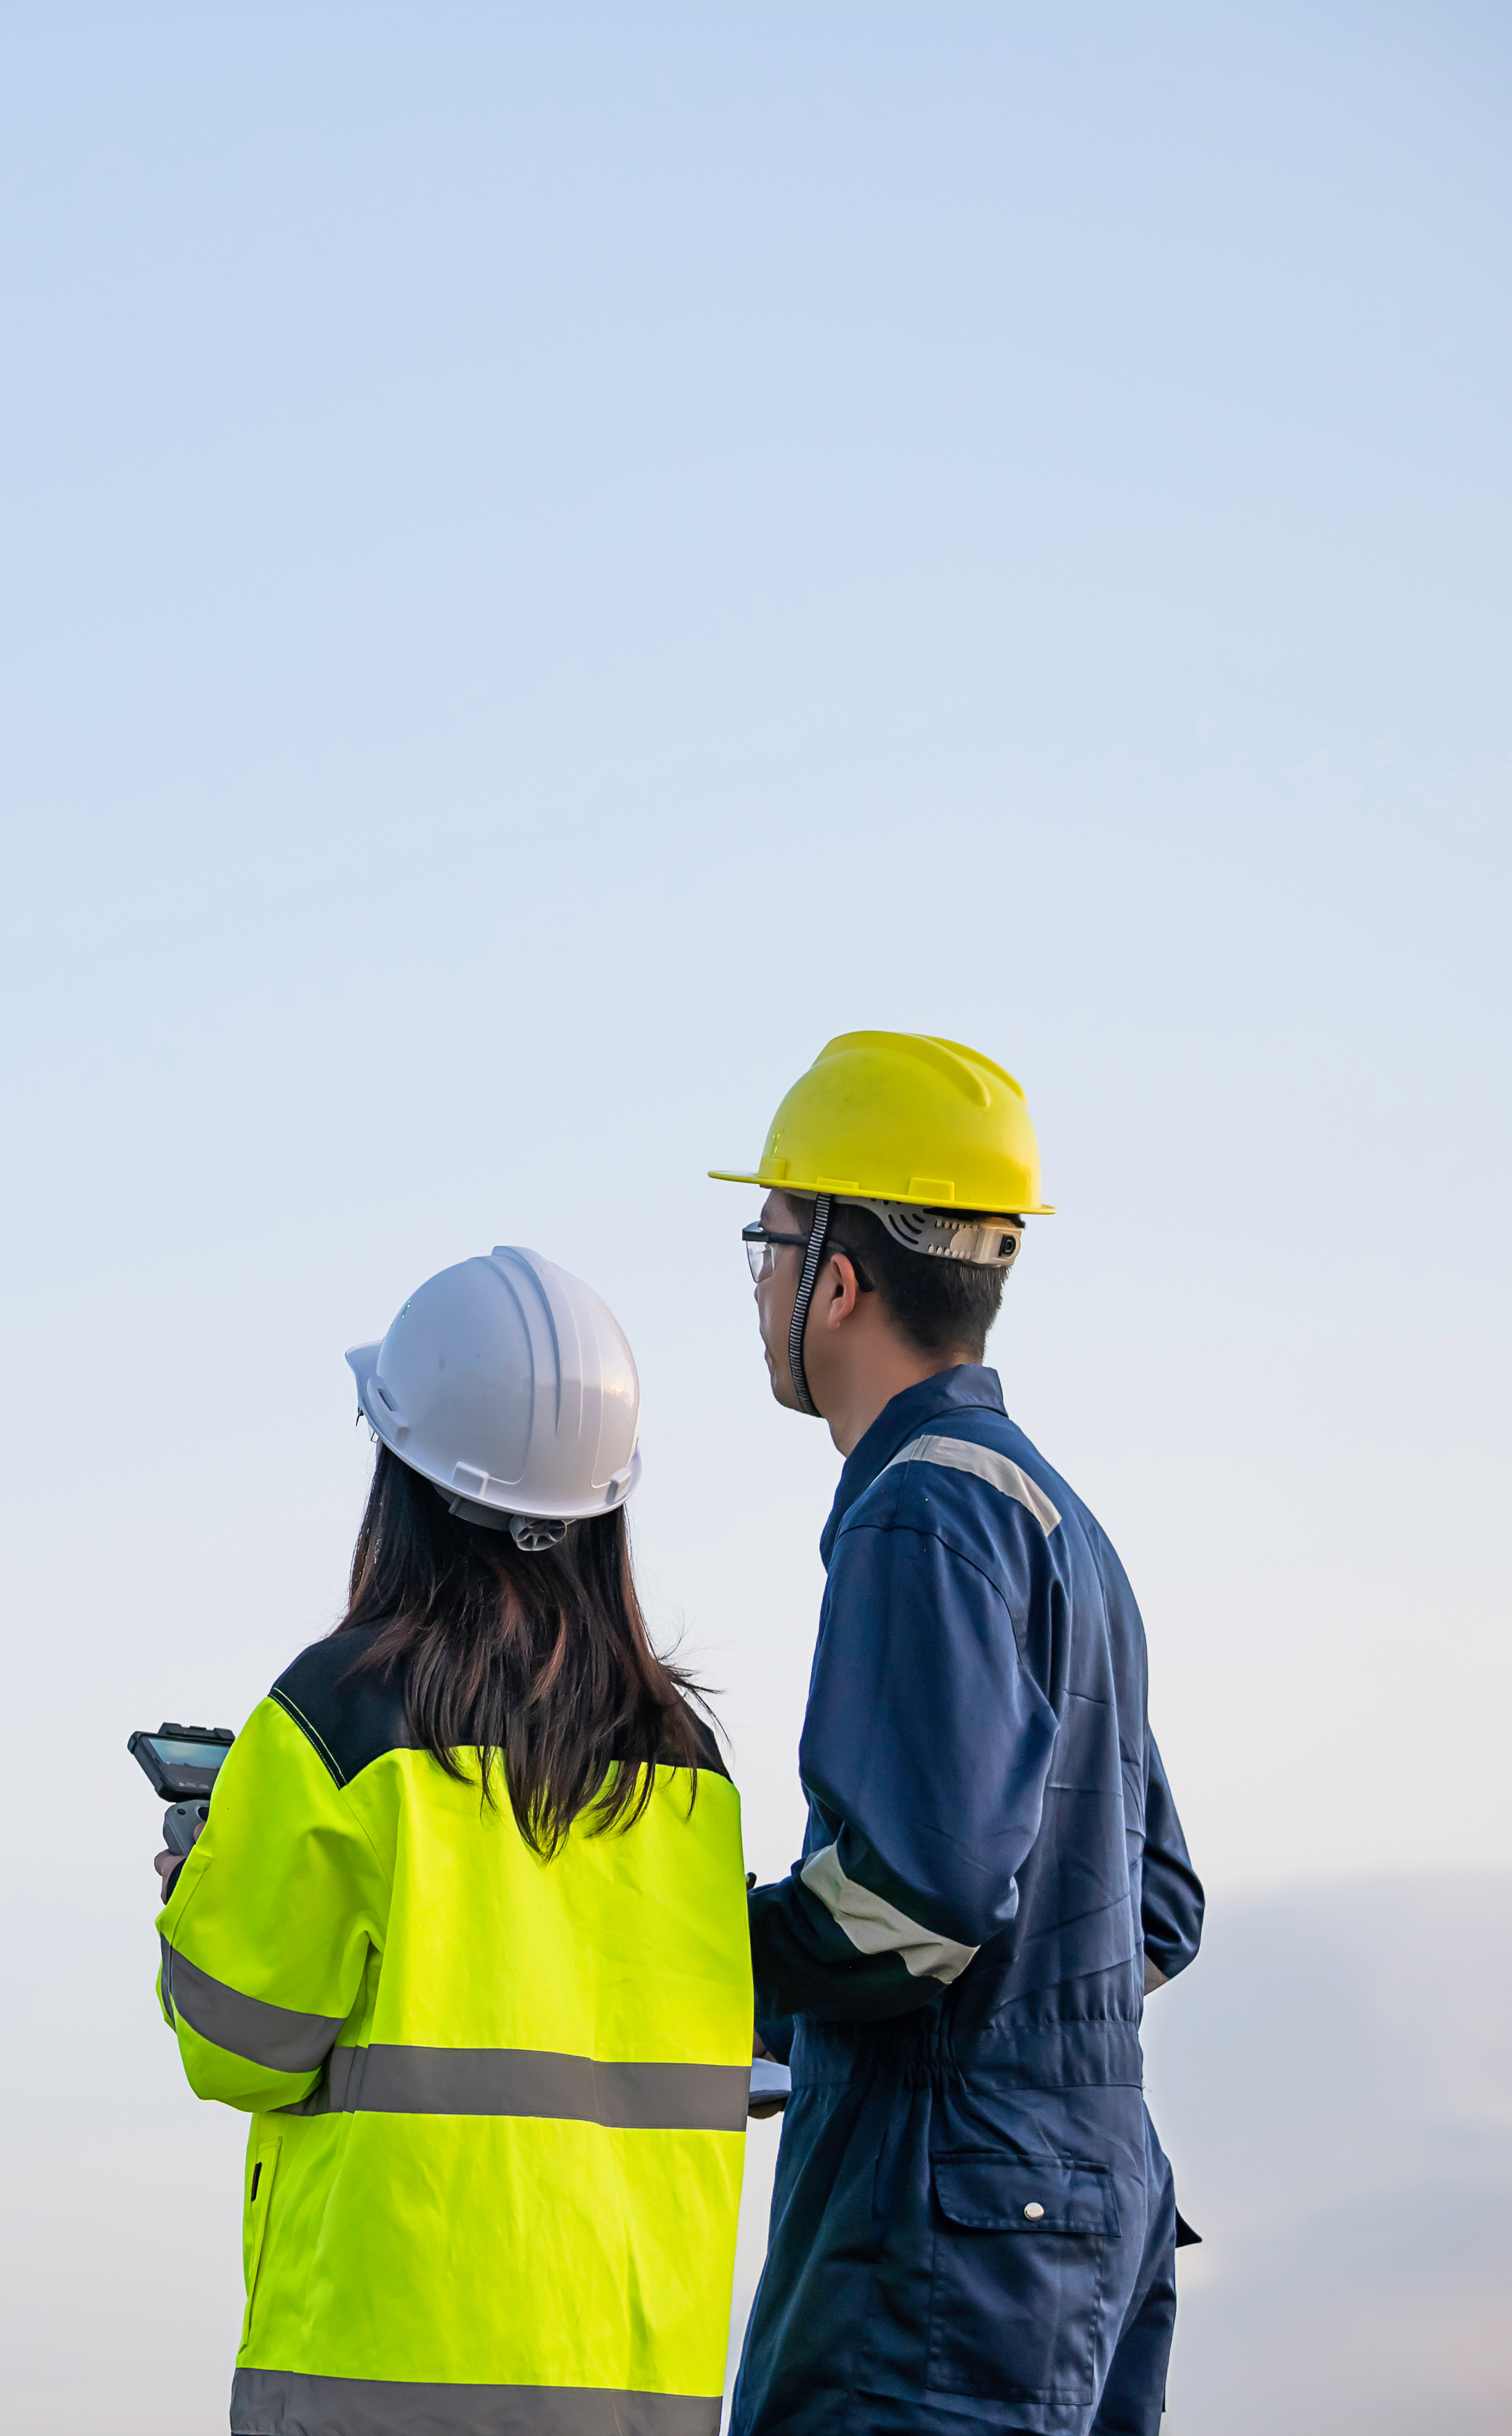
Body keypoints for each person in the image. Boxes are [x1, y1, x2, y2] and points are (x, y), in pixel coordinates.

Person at [155, 1247, 754, 2436]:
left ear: (404, 1476)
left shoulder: (338, 1722)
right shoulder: (690, 1768)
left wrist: (202, 1879)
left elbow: (239, 2044)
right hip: (636, 2402)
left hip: (381, 2397)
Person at [714, 1033, 1206, 2435]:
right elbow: (1154, 1906)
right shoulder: (1057, 1521)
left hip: (943, 2243)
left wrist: (701, 1960)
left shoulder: (917, 1512)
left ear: (840, 1280)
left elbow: (911, 1901)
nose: (756, 1278)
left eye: (768, 1236)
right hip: (1084, 2212)